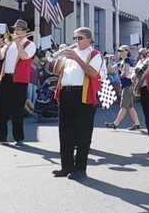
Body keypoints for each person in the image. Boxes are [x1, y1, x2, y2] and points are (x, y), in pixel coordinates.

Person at [52, 27, 103, 180]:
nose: (76, 41)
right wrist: (59, 58)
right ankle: (66, 166)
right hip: (66, 93)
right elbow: (55, 71)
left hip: (83, 95)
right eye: (75, 38)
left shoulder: (95, 54)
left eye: (79, 38)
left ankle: (80, 169)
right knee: (65, 131)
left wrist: (76, 58)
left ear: (89, 39)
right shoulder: (70, 55)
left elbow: (93, 73)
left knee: (82, 133)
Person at [0, 19, 36, 146]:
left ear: (25, 31)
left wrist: (18, 42)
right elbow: (0, 57)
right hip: (6, 77)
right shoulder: (9, 43)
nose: (15, 31)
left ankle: (19, 138)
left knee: (17, 109)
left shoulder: (30, 44)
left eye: (19, 29)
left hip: (19, 80)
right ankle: (1, 137)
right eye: (15, 29)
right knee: (2, 108)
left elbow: (24, 57)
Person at [105, 45, 140, 131]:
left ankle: (115, 124)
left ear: (127, 52)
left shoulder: (128, 61)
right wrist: (109, 61)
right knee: (130, 107)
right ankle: (137, 123)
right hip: (126, 86)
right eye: (119, 51)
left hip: (128, 86)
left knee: (124, 106)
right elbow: (110, 70)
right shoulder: (122, 61)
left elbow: (125, 73)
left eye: (121, 51)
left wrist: (120, 74)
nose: (120, 52)